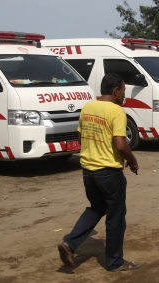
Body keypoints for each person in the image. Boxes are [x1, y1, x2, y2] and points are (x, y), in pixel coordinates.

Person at [58, 73, 141, 272]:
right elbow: (120, 144)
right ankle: (115, 262)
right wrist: (133, 161)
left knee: (96, 208)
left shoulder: (87, 108)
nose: (123, 95)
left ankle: (69, 243)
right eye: (123, 91)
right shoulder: (116, 111)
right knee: (116, 217)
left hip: (88, 171)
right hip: (109, 173)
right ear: (115, 91)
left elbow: (81, 135)